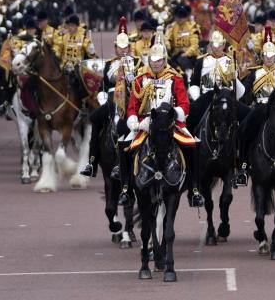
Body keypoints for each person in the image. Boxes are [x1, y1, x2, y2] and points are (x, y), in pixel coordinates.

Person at [121, 33, 204, 207]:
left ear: (164, 60)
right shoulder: (140, 79)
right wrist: (135, 123)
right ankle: (126, 189)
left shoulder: (175, 78)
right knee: (124, 147)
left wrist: (173, 115)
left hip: (170, 123)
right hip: (145, 124)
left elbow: (184, 104)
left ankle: (194, 189)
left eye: (159, 60)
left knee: (192, 146)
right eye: (153, 60)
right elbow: (132, 107)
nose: (156, 63)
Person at [81, 17, 135, 179]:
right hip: (112, 99)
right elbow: (102, 86)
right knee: (95, 119)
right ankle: (92, 162)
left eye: (126, 47)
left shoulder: (138, 63)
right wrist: (103, 97)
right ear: (116, 48)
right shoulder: (109, 64)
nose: (123, 50)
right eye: (120, 47)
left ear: (130, 48)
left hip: (132, 99)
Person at [237, 25, 275, 186]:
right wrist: (235, 79)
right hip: (260, 109)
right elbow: (246, 96)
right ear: (262, 56)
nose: (268, 59)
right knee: (244, 131)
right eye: (266, 56)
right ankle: (244, 166)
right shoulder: (254, 73)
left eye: (271, 56)